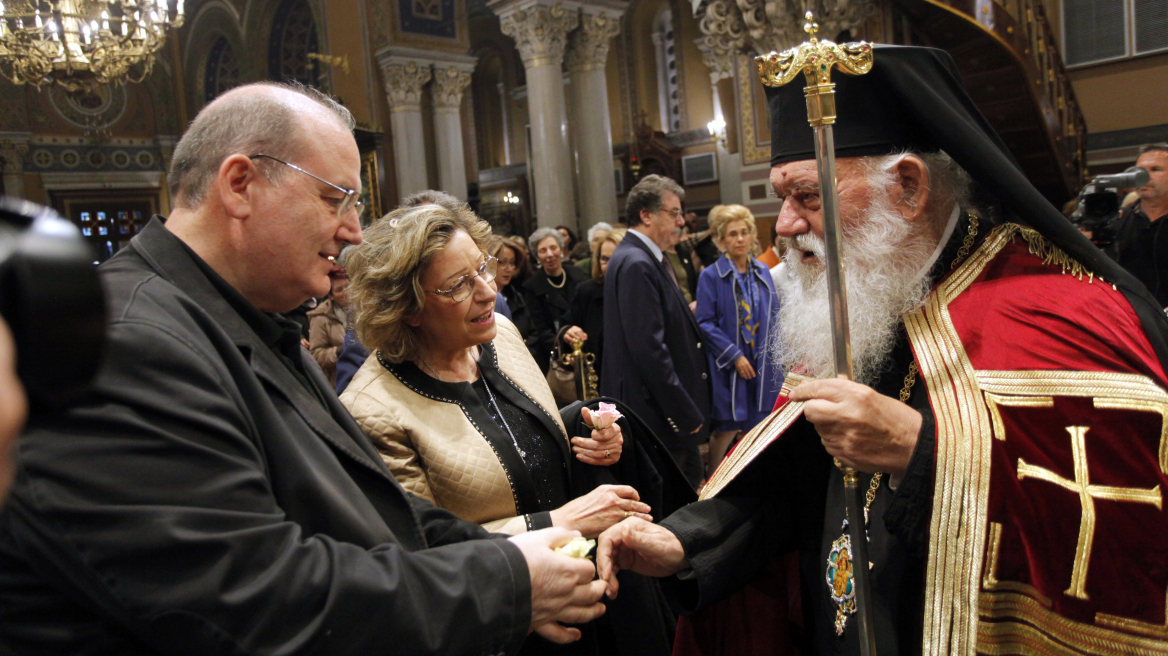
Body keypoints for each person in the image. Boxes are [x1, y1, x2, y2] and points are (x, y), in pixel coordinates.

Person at [596, 45, 1168, 655]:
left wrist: (921, 452)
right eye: (781, 197)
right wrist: (690, 543)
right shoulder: (868, 293)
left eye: (809, 198)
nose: (783, 225)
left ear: (910, 187)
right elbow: (795, 472)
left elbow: (1130, 534)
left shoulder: (1057, 312)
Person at [0, 82, 609, 654]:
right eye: (334, 198)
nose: (351, 231)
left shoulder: (247, 319)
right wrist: (502, 582)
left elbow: (370, 507)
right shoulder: (128, 340)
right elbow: (249, 595)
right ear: (239, 185)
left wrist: (513, 550)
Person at [339, 206, 679, 655]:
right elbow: (418, 559)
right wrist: (560, 522)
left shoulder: (499, 332)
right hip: (503, 622)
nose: (487, 291)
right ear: (407, 307)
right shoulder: (371, 410)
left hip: (584, 596)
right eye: (458, 284)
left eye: (483, 266)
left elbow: (529, 437)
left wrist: (591, 435)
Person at [601, 174, 711, 488]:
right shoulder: (637, 262)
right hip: (657, 416)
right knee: (669, 503)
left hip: (661, 414)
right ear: (646, 215)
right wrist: (683, 413)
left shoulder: (645, 258)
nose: (681, 221)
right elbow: (648, 349)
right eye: (673, 213)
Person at [694, 204, 782, 476]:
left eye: (745, 232)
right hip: (730, 363)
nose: (740, 239)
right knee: (728, 425)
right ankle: (713, 481)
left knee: (758, 422)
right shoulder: (711, 276)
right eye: (733, 234)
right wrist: (735, 355)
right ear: (721, 241)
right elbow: (704, 322)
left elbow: (774, 314)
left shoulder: (762, 271)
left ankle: (751, 477)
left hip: (762, 360)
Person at [562, 228, 626, 387]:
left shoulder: (641, 292)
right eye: (604, 259)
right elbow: (568, 324)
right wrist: (568, 332)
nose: (609, 266)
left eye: (616, 259)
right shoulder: (586, 292)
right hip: (598, 383)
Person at [1108, 143, 1168, 307]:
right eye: (1139, 170)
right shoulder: (1119, 219)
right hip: (1128, 317)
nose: (1143, 176)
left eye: (1155, 169)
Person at [525, 227, 589, 373]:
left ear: (561, 249)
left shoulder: (578, 274)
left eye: (553, 248)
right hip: (555, 356)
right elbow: (540, 329)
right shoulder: (532, 286)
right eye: (543, 250)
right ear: (536, 256)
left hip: (585, 346)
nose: (549, 254)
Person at [307, 263, 350, 387]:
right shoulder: (320, 317)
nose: (346, 293)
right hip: (339, 381)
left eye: (348, 287)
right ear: (331, 295)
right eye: (339, 290)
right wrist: (339, 351)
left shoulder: (363, 310)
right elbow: (316, 355)